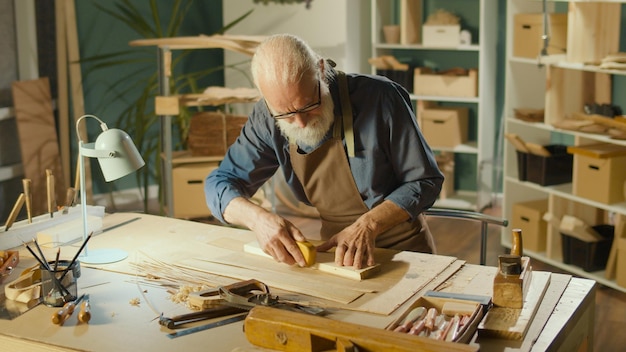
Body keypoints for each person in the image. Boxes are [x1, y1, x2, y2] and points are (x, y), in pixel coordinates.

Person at [205, 33, 443, 269]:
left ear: (320, 71)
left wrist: (368, 225)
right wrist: (257, 220)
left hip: (405, 254)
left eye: (309, 105)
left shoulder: (381, 98)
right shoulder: (266, 118)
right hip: (340, 257)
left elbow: (425, 181)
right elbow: (220, 182)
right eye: (285, 114)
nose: (299, 122)